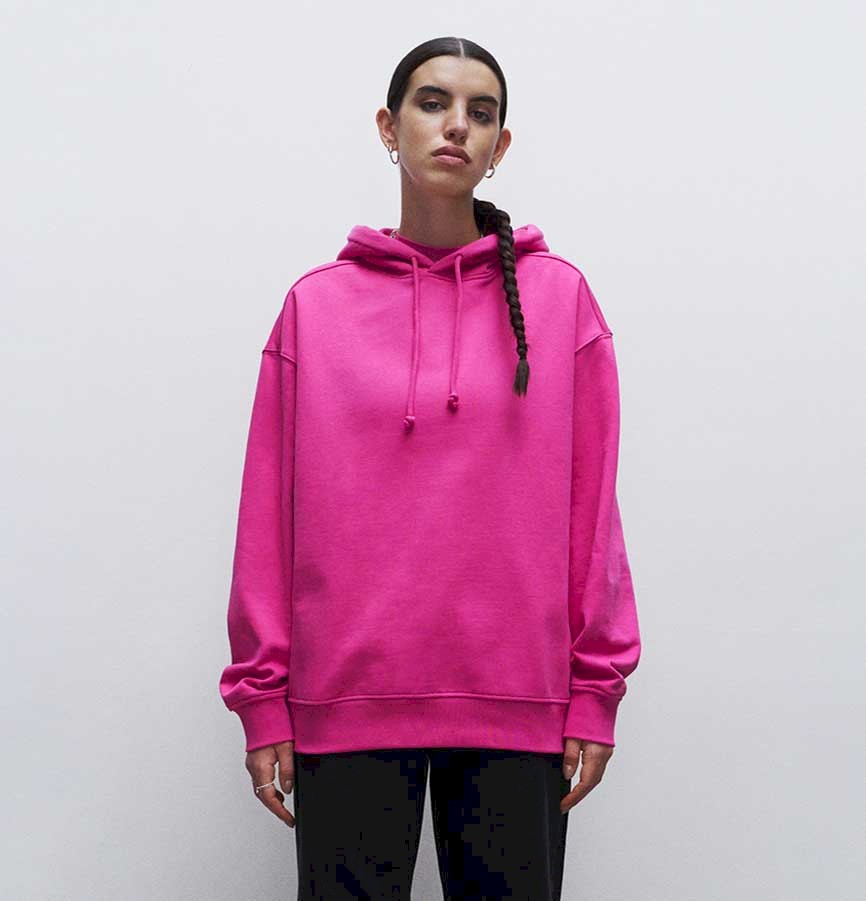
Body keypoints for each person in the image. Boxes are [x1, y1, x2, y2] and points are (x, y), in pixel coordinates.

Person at [218, 35, 642, 900]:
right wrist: (263, 696)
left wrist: (595, 687)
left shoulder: (560, 301)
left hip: (518, 704)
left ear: (500, 144)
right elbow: (268, 516)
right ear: (389, 126)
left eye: (480, 112)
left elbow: (592, 513)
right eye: (433, 102)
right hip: (346, 702)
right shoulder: (315, 307)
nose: (456, 126)